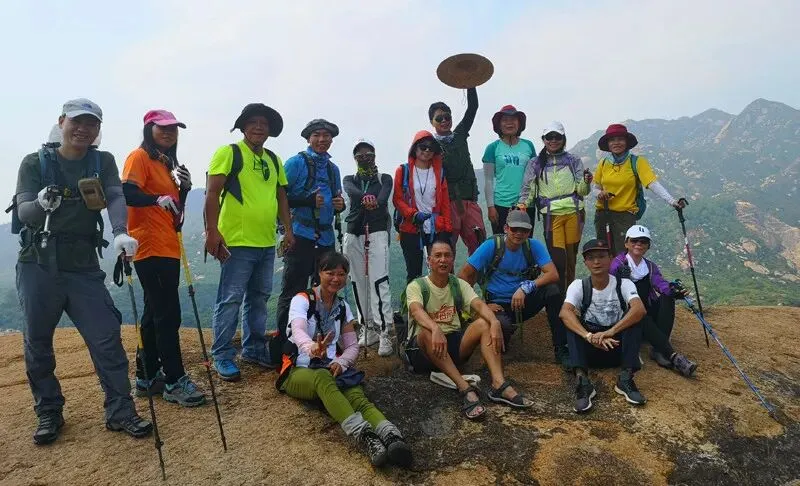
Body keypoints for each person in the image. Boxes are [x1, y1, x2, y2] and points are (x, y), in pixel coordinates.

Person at [13, 98, 151, 444]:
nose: (83, 129)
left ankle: (120, 410)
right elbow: (24, 212)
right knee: (38, 341)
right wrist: (40, 203)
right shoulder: (34, 163)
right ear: (62, 121)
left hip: (83, 264)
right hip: (38, 262)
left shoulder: (102, 161)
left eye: (91, 123)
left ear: (98, 129)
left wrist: (120, 232)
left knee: (106, 336)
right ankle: (48, 410)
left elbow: (115, 197)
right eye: (77, 121)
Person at [277, 252, 412, 468]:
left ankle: (391, 436)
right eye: (330, 273)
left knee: (356, 395)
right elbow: (298, 330)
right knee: (322, 377)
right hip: (298, 369)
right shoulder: (302, 300)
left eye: (341, 274)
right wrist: (312, 347)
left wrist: (341, 363)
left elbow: (351, 346)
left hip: (332, 367)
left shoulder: (342, 307)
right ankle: (366, 436)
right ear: (319, 273)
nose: (336, 278)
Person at [121, 109, 206, 406]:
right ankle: (174, 380)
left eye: (173, 128)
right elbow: (126, 193)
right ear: (149, 129)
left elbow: (175, 214)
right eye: (162, 128)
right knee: (168, 314)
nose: (169, 132)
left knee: (154, 312)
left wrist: (184, 189)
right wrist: (157, 198)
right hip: (149, 245)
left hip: (166, 244)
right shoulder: (139, 157)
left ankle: (147, 376)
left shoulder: (166, 163)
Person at [204, 103, 293, 381]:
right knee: (230, 299)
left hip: (266, 241)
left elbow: (281, 196)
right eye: (253, 122)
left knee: (259, 297)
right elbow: (211, 193)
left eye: (264, 124)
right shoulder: (229, 153)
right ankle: (222, 354)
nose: (258, 127)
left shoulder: (273, 159)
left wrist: (288, 231)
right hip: (237, 241)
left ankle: (253, 348)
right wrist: (211, 232)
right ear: (243, 127)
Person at [404, 239, 535, 421]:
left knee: (484, 323)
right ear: (429, 260)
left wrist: (494, 322)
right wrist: (435, 328)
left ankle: (499, 384)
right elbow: (416, 311)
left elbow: (478, 305)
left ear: (453, 259)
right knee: (426, 332)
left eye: (447, 255)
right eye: (438, 255)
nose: (443, 260)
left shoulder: (458, 284)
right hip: (424, 351)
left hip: (452, 344)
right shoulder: (417, 286)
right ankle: (465, 388)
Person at [458, 211, 568, 366]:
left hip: (522, 301)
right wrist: (480, 306)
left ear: (529, 231)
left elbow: (553, 274)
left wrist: (526, 287)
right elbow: (463, 275)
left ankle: (561, 348)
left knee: (553, 291)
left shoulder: (533, 246)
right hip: (498, 304)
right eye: (514, 229)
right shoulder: (492, 246)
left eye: (524, 230)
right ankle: (505, 329)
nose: (519, 233)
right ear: (506, 228)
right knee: (502, 335)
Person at [276, 119, 345, 352]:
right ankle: (286, 345)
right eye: (317, 135)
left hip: (325, 238)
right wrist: (306, 201)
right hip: (300, 235)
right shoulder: (295, 163)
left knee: (324, 291)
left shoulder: (333, 169)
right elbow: (279, 197)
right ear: (308, 138)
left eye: (326, 135)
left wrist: (341, 204)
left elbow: (336, 199)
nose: (322, 139)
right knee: (293, 290)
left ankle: (321, 342)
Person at [559, 239, 647, 413]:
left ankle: (626, 378)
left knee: (634, 320)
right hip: (590, 349)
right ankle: (583, 381)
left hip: (616, 347)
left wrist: (610, 332)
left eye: (601, 256)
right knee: (571, 323)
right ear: (585, 262)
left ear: (611, 258)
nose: (596, 262)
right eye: (591, 258)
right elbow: (564, 312)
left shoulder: (624, 284)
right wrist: (589, 337)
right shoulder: (579, 285)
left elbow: (639, 309)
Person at [609, 226, 697, 377]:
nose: (639, 244)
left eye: (643, 241)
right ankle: (669, 354)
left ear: (648, 246)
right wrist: (620, 278)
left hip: (646, 311)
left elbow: (660, 283)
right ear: (626, 243)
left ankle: (659, 347)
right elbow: (609, 288)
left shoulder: (649, 266)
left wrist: (672, 291)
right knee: (638, 313)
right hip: (627, 314)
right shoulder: (617, 264)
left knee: (667, 298)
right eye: (634, 240)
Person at [518, 122, 591, 295]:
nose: (553, 140)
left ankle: (570, 298)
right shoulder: (535, 163)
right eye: (549, 137)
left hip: (574, 212)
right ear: (543, 139)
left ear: (563, 139)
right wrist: (522, 205)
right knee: (558, 260)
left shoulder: (573, 160)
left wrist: (586, 182)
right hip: (552, 216)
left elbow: (582, 191)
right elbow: (528, 188)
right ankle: (558, 298)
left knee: (571, 259)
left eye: (557, 136)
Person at [593, 123, 686, 254]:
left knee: (623, 255)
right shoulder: (603, 163)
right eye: (612, 140)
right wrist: (599, 194)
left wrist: (672, 201)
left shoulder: (637, 162)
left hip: (624, 217)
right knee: (603, 253)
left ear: (626, 142)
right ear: (608, 144)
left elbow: (652, 183)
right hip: (603, 215)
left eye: (620, 139)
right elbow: (595, 188)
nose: (616, 143)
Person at [342, 139, 394, 356]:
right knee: (357, 281)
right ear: (355, 158)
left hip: (377, 232)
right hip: (353, 233)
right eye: (360, 156)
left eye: (368, 155)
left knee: (379, 281)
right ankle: (368, 326)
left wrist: (375, 200)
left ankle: (385, 332)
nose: (364, 158)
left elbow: (383, 197)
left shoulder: (384, 178)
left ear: (375, 156)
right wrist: (367, 198)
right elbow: (352, 192)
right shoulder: (349, 179)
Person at [429, 88, 486, 255]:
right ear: (432, 122)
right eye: (439, 118)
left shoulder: (460, 134)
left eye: (447, 117)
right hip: (448, 204)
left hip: (469, 200)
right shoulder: (430, 146)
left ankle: (478, 273)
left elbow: (472, 107)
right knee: (447, 248)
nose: (444, 121)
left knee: (479, 243)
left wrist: (470, 84)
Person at [392, 131, 452, 283]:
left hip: (435, 227)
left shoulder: (439, 173)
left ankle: (442, 299)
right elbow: (398, 199)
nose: (427, 150)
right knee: (414, 273)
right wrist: (413, 214)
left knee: (441, 270)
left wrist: (447, 227)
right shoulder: (403, 171)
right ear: (415, 148)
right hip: (411, 227)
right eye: (423, 147)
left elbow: (445, 202)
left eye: (431, 148)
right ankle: (414, 299)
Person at [483, 105, 536, 234]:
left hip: (526, 203)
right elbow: (488, 180)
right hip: (501, 204)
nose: (509, 123)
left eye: (513, 119)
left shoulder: (528, 145)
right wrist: (490, 207)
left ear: (519, 123)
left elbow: (534, 176)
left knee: (525, 241)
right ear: (499, 124)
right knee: (501, 242)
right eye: (505, 120)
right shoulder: (492, 148)